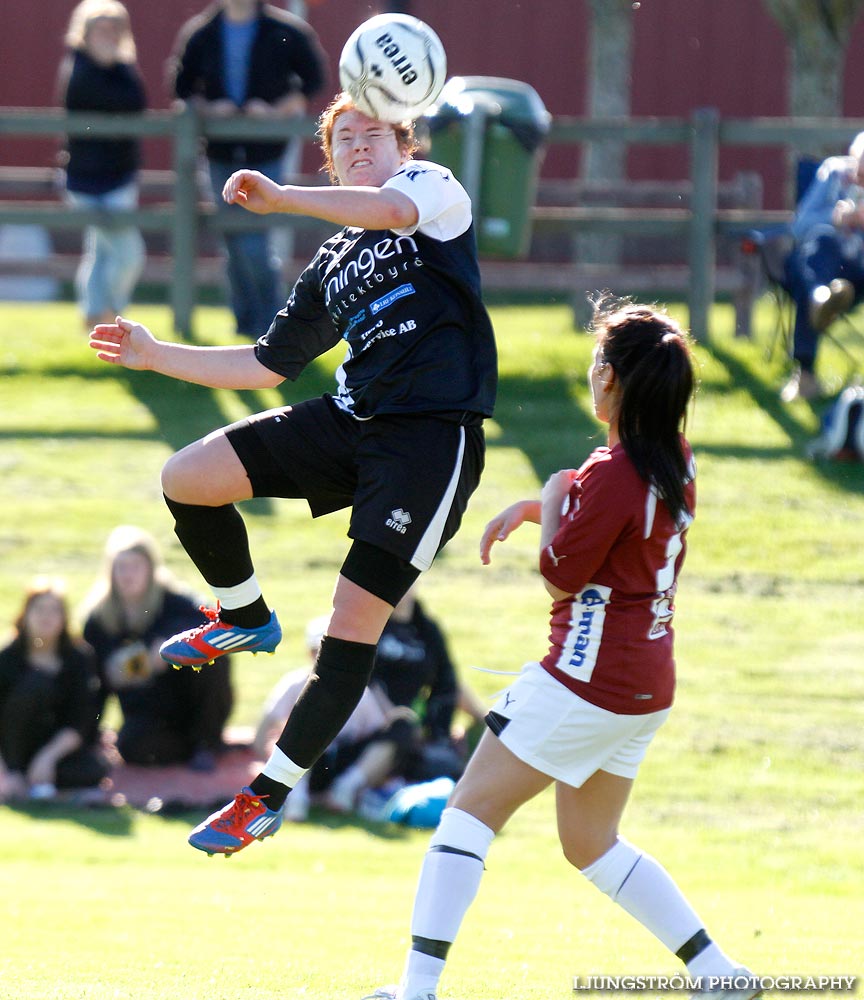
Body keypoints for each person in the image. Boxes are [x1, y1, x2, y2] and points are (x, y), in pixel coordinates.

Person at [88, 90, 498, 855]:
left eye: (373, 129)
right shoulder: (334, 257)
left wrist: (281, 197)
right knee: (188, 476)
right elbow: (265, 365)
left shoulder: (435, 192)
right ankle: (244, 615)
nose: (359, 141)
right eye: (344, 136)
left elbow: (386, 209)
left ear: (403, 144)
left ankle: (265, 797)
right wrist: (153, 355)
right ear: (332, 156)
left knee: (349, 632)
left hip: (427, 444)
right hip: (350, 422)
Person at [364, 301, 758, 1000]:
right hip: (645, 686)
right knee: (590, 843)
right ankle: (717, 973)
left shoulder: (614, 472)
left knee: (468, 811)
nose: (589, 373)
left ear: (610, 378)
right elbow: (612, 514)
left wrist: (549, 498)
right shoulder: (671, 460)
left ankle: (414, 991)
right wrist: (549, 500)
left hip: (585, 679)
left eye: (595, 361)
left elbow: (559, 575)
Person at [167, 0, 328, 338]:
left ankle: (273, 323)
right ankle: (247, 325)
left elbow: (314, 79)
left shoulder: (285, 30)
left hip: (265, 151)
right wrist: (210, 109)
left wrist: (277, 110)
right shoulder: (201, 33)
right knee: (232, 237)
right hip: (219, 153)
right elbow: (182, 88)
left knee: (253, 240)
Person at [80, 526, 233, 771]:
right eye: (121, 567)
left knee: (212, 657)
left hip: (186, 701)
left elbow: (213, 624)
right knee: (133, 746)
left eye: (135, 566)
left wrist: (168, 646)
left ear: (151, 569)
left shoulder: (175, 603)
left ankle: (206, 742)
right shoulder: (98, 620)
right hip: (146, 712)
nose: (127, 575)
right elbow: (98, 680)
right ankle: (190, 750)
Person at [57, 0, 146, 331]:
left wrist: (118, 65)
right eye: (101, 29)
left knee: (102, 250)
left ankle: (95, 316)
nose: (109, 36)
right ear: (86, 32)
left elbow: (136, 103)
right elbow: (94, 98)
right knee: (127, 254)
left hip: (119, 177)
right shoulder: (78, 67)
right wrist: (112, 65)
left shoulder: (123, 69)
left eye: (115, 29)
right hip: (83, 180)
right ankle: (109, 312)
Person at [0, 578, 110, 802]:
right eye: (39, 609)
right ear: (25, 614)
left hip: (56, 749)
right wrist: (6, 770)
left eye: (54, 610)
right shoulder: (7, 658)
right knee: (36, 686)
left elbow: (82, 718)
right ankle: (18, 777)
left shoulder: (80, 658)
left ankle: (38, 779)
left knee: (94, 770)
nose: (46, 617)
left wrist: (47, 758)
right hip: (12, 749)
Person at [782, 131, 864, 402]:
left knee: (812, 270)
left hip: (858, 270)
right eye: (858, 172)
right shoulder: (833, 172)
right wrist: (835, 218)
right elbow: (799, 226)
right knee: (821, 241)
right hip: (819, 262)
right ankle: (822, 298)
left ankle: (804, 375)